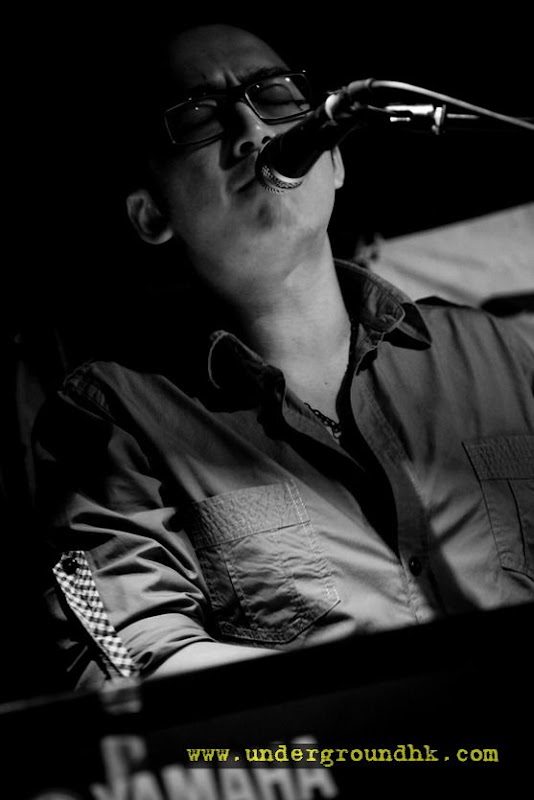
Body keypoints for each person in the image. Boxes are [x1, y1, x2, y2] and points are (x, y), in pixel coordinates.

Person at [33, 21, 534, 689]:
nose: (251, 129)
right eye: (199, 117)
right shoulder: (113, 417)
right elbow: (137, 664)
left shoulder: (495, 351)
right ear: (151, 214)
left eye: (272, 95)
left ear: (335, 160)